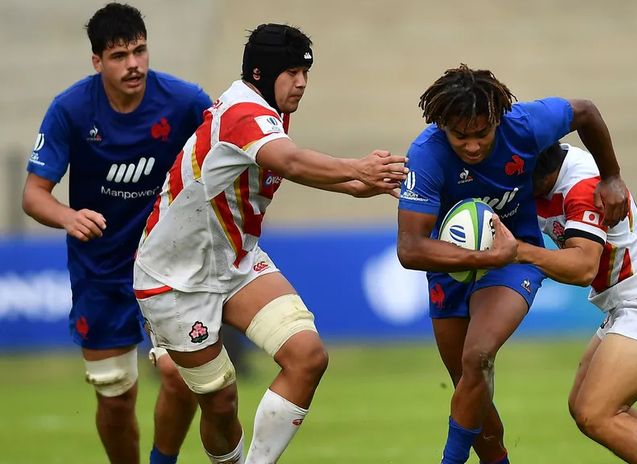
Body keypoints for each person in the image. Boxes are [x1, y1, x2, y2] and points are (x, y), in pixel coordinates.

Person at [132, 23, 407, 464]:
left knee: (308, 356)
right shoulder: (244, 111)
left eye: (305, 73)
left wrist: (358, 184)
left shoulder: (270, 110)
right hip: (173, 278)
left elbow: (287, 166)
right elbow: (292, 161)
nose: (301, 83)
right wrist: (356, 167)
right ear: (261, 73)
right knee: (219, 401)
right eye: (292, 72)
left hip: (234, 263)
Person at [396, 64, 629, 464]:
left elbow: (586, 111)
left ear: (497, 120)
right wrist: (483, 256)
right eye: (460, 136)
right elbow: (410, 249)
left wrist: (611, 176)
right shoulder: (426, 154)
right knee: (468, 383)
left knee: (477, 356)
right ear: (442, 127)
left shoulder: (525, 124)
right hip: (451, 265)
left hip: (514, 256)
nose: (471, 146)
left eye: (482, 134)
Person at [21, 3, 212, 463]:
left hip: (169, 263)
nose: (134, 64)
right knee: (114, 393)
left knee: (180, 376)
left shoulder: (185, 102)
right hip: (102, 269)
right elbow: (33, 194)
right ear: (97, 62)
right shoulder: (70, 109)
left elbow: (232, 146)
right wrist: (67, 216)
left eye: (140, 51)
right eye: (120, 55)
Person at [514, 142, 637, 463]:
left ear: (543, 173)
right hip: (630, 302)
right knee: (583, 406)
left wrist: (516, 251)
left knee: (597, 413)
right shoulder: (542, 163)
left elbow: (583, 268)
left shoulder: (583, 188)